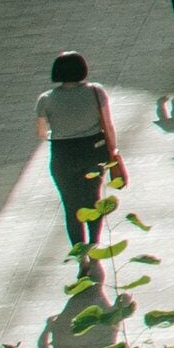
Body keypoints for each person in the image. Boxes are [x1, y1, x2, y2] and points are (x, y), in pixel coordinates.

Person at [34, 51, 119, 265]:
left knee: (71, 206)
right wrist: (114, 150)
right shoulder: (96, 92)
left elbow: (41, 133)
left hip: (63, 154)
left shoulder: (45, 99)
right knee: (93, 198)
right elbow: (108, 124)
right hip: (93, 150)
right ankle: (94, 244)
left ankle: (80, 255)